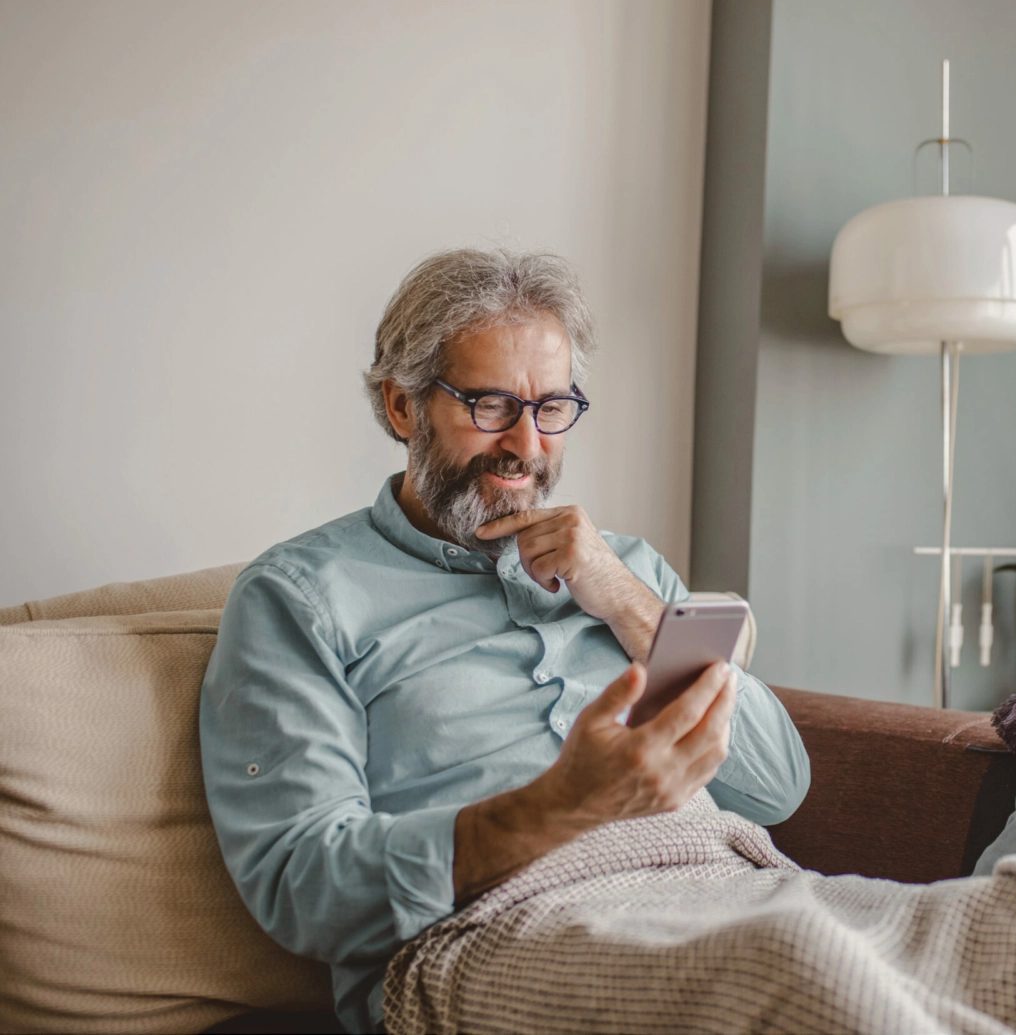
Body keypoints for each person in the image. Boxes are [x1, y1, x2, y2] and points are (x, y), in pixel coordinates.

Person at [199, 249, 811, 1035]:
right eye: (490, 405)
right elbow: (303, 883)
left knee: (989, 947)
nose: (525, 444)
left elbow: (778, 785)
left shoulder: (626, 567)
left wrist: (627, 601)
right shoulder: (301, 598)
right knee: (804, 992)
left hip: (723, 889)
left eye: (552, 407)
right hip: (489, 936)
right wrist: (560, 807)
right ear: (401, 407)